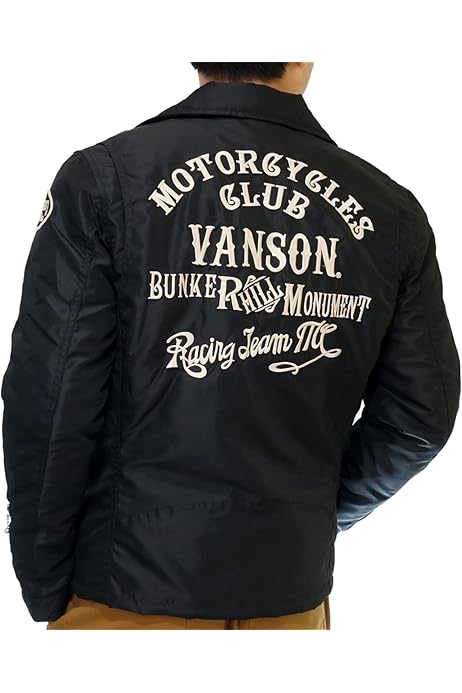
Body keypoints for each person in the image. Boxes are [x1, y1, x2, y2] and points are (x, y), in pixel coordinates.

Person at [2, 62, 459, 630]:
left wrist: (44, 583)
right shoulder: (391, 212)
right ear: (302, 56)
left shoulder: (105, 178)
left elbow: (49, 401)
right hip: (289, 608)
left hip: (121, 599)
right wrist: (303, 516)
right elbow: (421, 417)